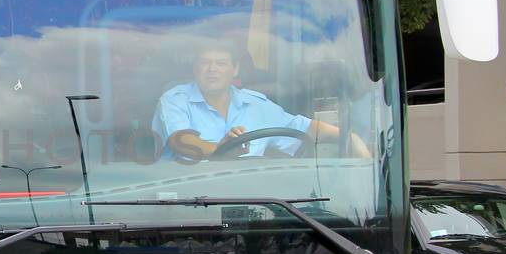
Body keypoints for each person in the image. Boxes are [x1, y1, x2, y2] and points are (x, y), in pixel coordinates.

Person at [151, 41, 368, 161]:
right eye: (205, 63)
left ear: (234, 69)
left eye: (221, 63)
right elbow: (180, 141)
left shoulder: (257, 104)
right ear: (195, 68)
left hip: (253, 202)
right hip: (189, 203)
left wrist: (349, 137)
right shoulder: (174, 100)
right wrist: (220, 150)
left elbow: (304, 127)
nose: (212, 70)